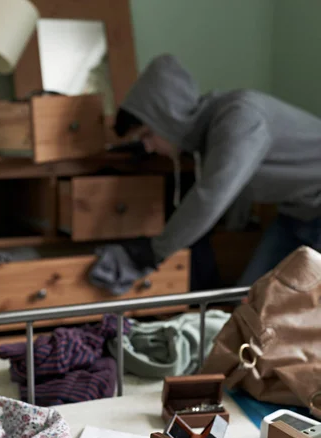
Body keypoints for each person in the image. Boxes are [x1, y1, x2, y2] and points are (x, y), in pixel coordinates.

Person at [89, 54, 321, 295]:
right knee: (248, 305)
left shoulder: (240, 117)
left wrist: (152, 252)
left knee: (287, 315)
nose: (147, 146)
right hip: (297, 215)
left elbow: (211, 195)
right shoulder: (211, 131)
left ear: (168, 118)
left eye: (147, 134)